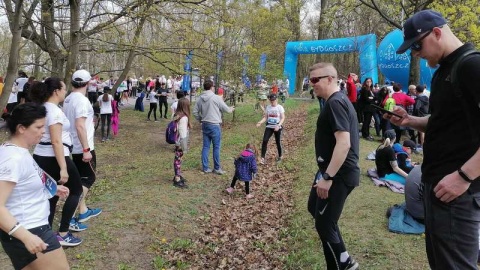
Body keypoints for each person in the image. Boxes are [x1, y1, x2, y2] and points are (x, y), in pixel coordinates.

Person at [392, 10, 480, 269]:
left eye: (417, 46)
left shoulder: (471, 66)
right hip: (436, 188)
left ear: (437, 33)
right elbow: (444, 122)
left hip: (458, 193)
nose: (416, 53)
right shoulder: (444, 71)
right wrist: (409, 121)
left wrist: (463, 177)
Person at [0, 103, 70, 270]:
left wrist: (51, 188)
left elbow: (25, 180)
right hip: (30, 229)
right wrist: (26, 237)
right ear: (21, 128)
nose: (43, 131)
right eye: (38, 127)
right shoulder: (13, 159)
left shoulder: (17, 151)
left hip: (29, 228)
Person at [306, 62, 359, 270]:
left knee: (325, 224)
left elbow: (344, 143)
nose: (312, 85)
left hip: (339, 175)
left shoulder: (336, 103)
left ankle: (341, 266)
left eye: (315, 80)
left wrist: (327, 178)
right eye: (310, 80)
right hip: (327, 171)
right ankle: (344, 259)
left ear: (330, 79)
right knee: (315, 209)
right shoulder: (334, 101)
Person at [29, 78, 85, 247]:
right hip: (54, 157)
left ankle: (46, 233)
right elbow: (56, 141)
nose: (65, 91)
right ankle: (63, 233)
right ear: (56, 91)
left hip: (41, 156)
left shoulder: (44, 108)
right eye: (63, 88)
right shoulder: (54, 111)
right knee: (76, 190)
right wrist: (63, 168)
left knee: (51, 195)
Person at [63, 70, 102, 225]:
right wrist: (86, 149)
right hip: (82, 147)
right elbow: (79, 125)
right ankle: (71, 216)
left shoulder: (68, 99)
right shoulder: (81, 100)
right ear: (88, 83)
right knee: (88, 179)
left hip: (73, 145)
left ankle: (83, 211)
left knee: (79, 180)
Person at [193, 79, 234, 175]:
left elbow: (195, 112)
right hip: (215, 125)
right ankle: (217, 168)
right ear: (212, 87)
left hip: (205, 124)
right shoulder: (216, 98)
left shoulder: (200, 98)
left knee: (206, 146)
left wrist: (200, 119)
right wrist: (231, 109)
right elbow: (227, 110)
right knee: (216, 147)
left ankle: (205, 168)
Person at [256, 93, 285, 165]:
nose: (272, 102)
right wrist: (260, 122)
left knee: (278, 142)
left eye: (274, 100)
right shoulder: (268, 107)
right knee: (265, 140)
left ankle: (280, 156)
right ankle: (262, 158)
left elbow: (283, 118)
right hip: (269, 126)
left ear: (276, 100)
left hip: (277, 126)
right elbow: (265, 117)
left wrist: (278, 125)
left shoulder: (280, 107)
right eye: (271, 101)